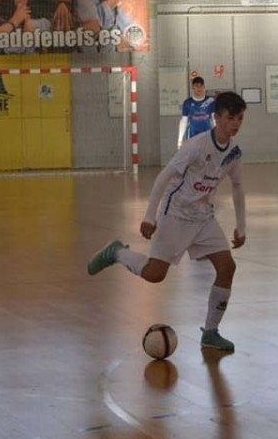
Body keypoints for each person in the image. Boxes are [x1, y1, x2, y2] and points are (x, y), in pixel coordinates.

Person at [87, 91, 248, 352]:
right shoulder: (196, 146)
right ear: (216, 117)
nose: (236, 123)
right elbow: (164, 177)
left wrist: (241, 226)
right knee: (155, 274)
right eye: (231, 118)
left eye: (240, 118)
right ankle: (117, 253)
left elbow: (238, 186)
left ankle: (210, 332)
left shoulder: (234, 153)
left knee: (227, 267)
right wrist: (150, 215)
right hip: (176, 215)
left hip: (204, 217)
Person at [178, 77, 216, 150]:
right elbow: (184, 121)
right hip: (192, 136)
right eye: (196, 86)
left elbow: (215, 119)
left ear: (204, 87)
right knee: (193, 159)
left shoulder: (211, 101)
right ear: (193, 87)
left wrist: (217, 136)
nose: (199, 88)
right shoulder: (187, 103)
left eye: (201, 86)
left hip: (207, 136)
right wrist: (180, 140)